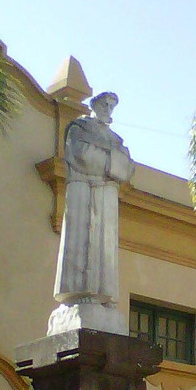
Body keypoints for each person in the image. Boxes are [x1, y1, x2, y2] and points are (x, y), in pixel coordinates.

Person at [50, 91, 134, 335]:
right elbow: (81, 156)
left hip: (106, 196)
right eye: (104, 104)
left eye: (112, 105)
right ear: (94, 105)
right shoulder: (79, 128)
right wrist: (111, 163)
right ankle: (80, 292)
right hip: (82, 192)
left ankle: (103, 295)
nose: (108, 108)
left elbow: (128, 169)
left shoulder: (115, 138)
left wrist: (106, 163)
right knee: (81, 240)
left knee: (104, 247)